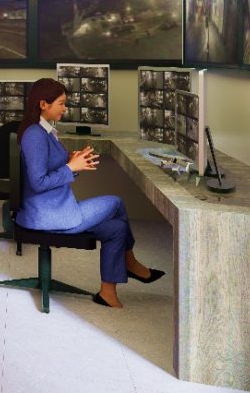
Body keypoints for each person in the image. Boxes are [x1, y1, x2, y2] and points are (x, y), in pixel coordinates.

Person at [17, 77, 163, 308]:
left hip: (56, 210)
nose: (65, 108)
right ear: (43, 104)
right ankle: (130, 262)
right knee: (116, 202)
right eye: (61, 103)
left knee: (117, 229)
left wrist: (73, 162)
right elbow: (38, 182)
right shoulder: (35, 135)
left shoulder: (45, 131)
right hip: (48, 216)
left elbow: (50, 168)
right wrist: (70, 167)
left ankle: (108, 293)